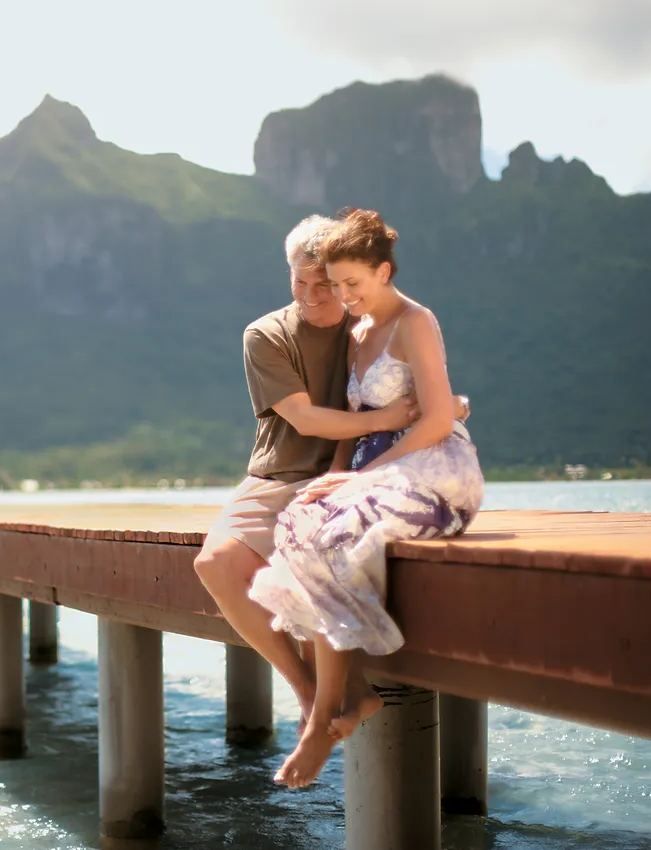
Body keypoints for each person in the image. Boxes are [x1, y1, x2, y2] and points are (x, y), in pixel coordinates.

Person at [193, 214, 469, 741]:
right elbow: (306, 418)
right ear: (288, 274)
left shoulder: (367, 323)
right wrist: (388, 420)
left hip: (355, 473)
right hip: (278, 473)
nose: (315, 294)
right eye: (301, 281)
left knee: (313, 556)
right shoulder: (266, 335)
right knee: (215, 563)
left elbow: (423, 391)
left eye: (327, 284)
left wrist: (446, 410)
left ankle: (344, 694)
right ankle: (307, 692)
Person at [248, 208, 485, 789]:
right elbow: (356, 425)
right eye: (337, 285)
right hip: (372, 468)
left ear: (383, 271)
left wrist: (360, 478)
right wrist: (333, 478)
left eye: (352, 283)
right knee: (305, 521)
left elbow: (433, 421)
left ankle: (321, 722)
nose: (344, 296)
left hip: (433, 467)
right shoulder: (355, 334)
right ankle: (340, 703)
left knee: (334, 535)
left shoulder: (415, 322)